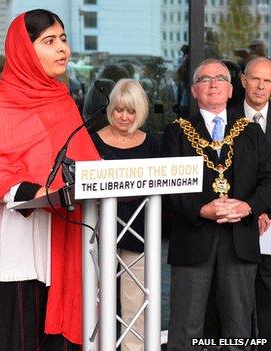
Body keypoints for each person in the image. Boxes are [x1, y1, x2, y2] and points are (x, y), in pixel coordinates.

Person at [0, 9, 100, 351]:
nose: (63, 49)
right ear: (24, 50)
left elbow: (84, 161)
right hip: (19, 244)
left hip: (62, 235)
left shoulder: (63, 102)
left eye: (62, 39)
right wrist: (45, 191)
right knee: (21, 337)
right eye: (49, 41)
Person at [163, 59, 271, 351]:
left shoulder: (251, 131)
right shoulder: (177, 132)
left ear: (231, 88)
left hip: (240, 239)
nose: (213, 84)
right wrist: (201, 208)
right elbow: (169, 187)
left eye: (220, 78)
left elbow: (268, 181)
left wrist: (248, 207)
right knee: (186, 329)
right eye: (206, 79)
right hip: (193, 237)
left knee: (239, 330)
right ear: (195, 90)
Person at [90, 79, 159, 351]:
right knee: (99, 301)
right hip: (99, 235)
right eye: (119, 110)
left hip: (139, 235)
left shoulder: (151, 145)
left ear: (140, 112)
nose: (124, 116)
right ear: (110, 109)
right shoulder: (93, 142)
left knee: (135, 304)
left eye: (131, 111)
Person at [228, 56, 271, 347]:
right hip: (235, 222)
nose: (260, 86)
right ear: (242, 81)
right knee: (234, 302)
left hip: (270, 225)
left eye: (267, 81)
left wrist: (265, 209)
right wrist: (250, 209)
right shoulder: (225, 118)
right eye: (255, 78)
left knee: (268, 296)